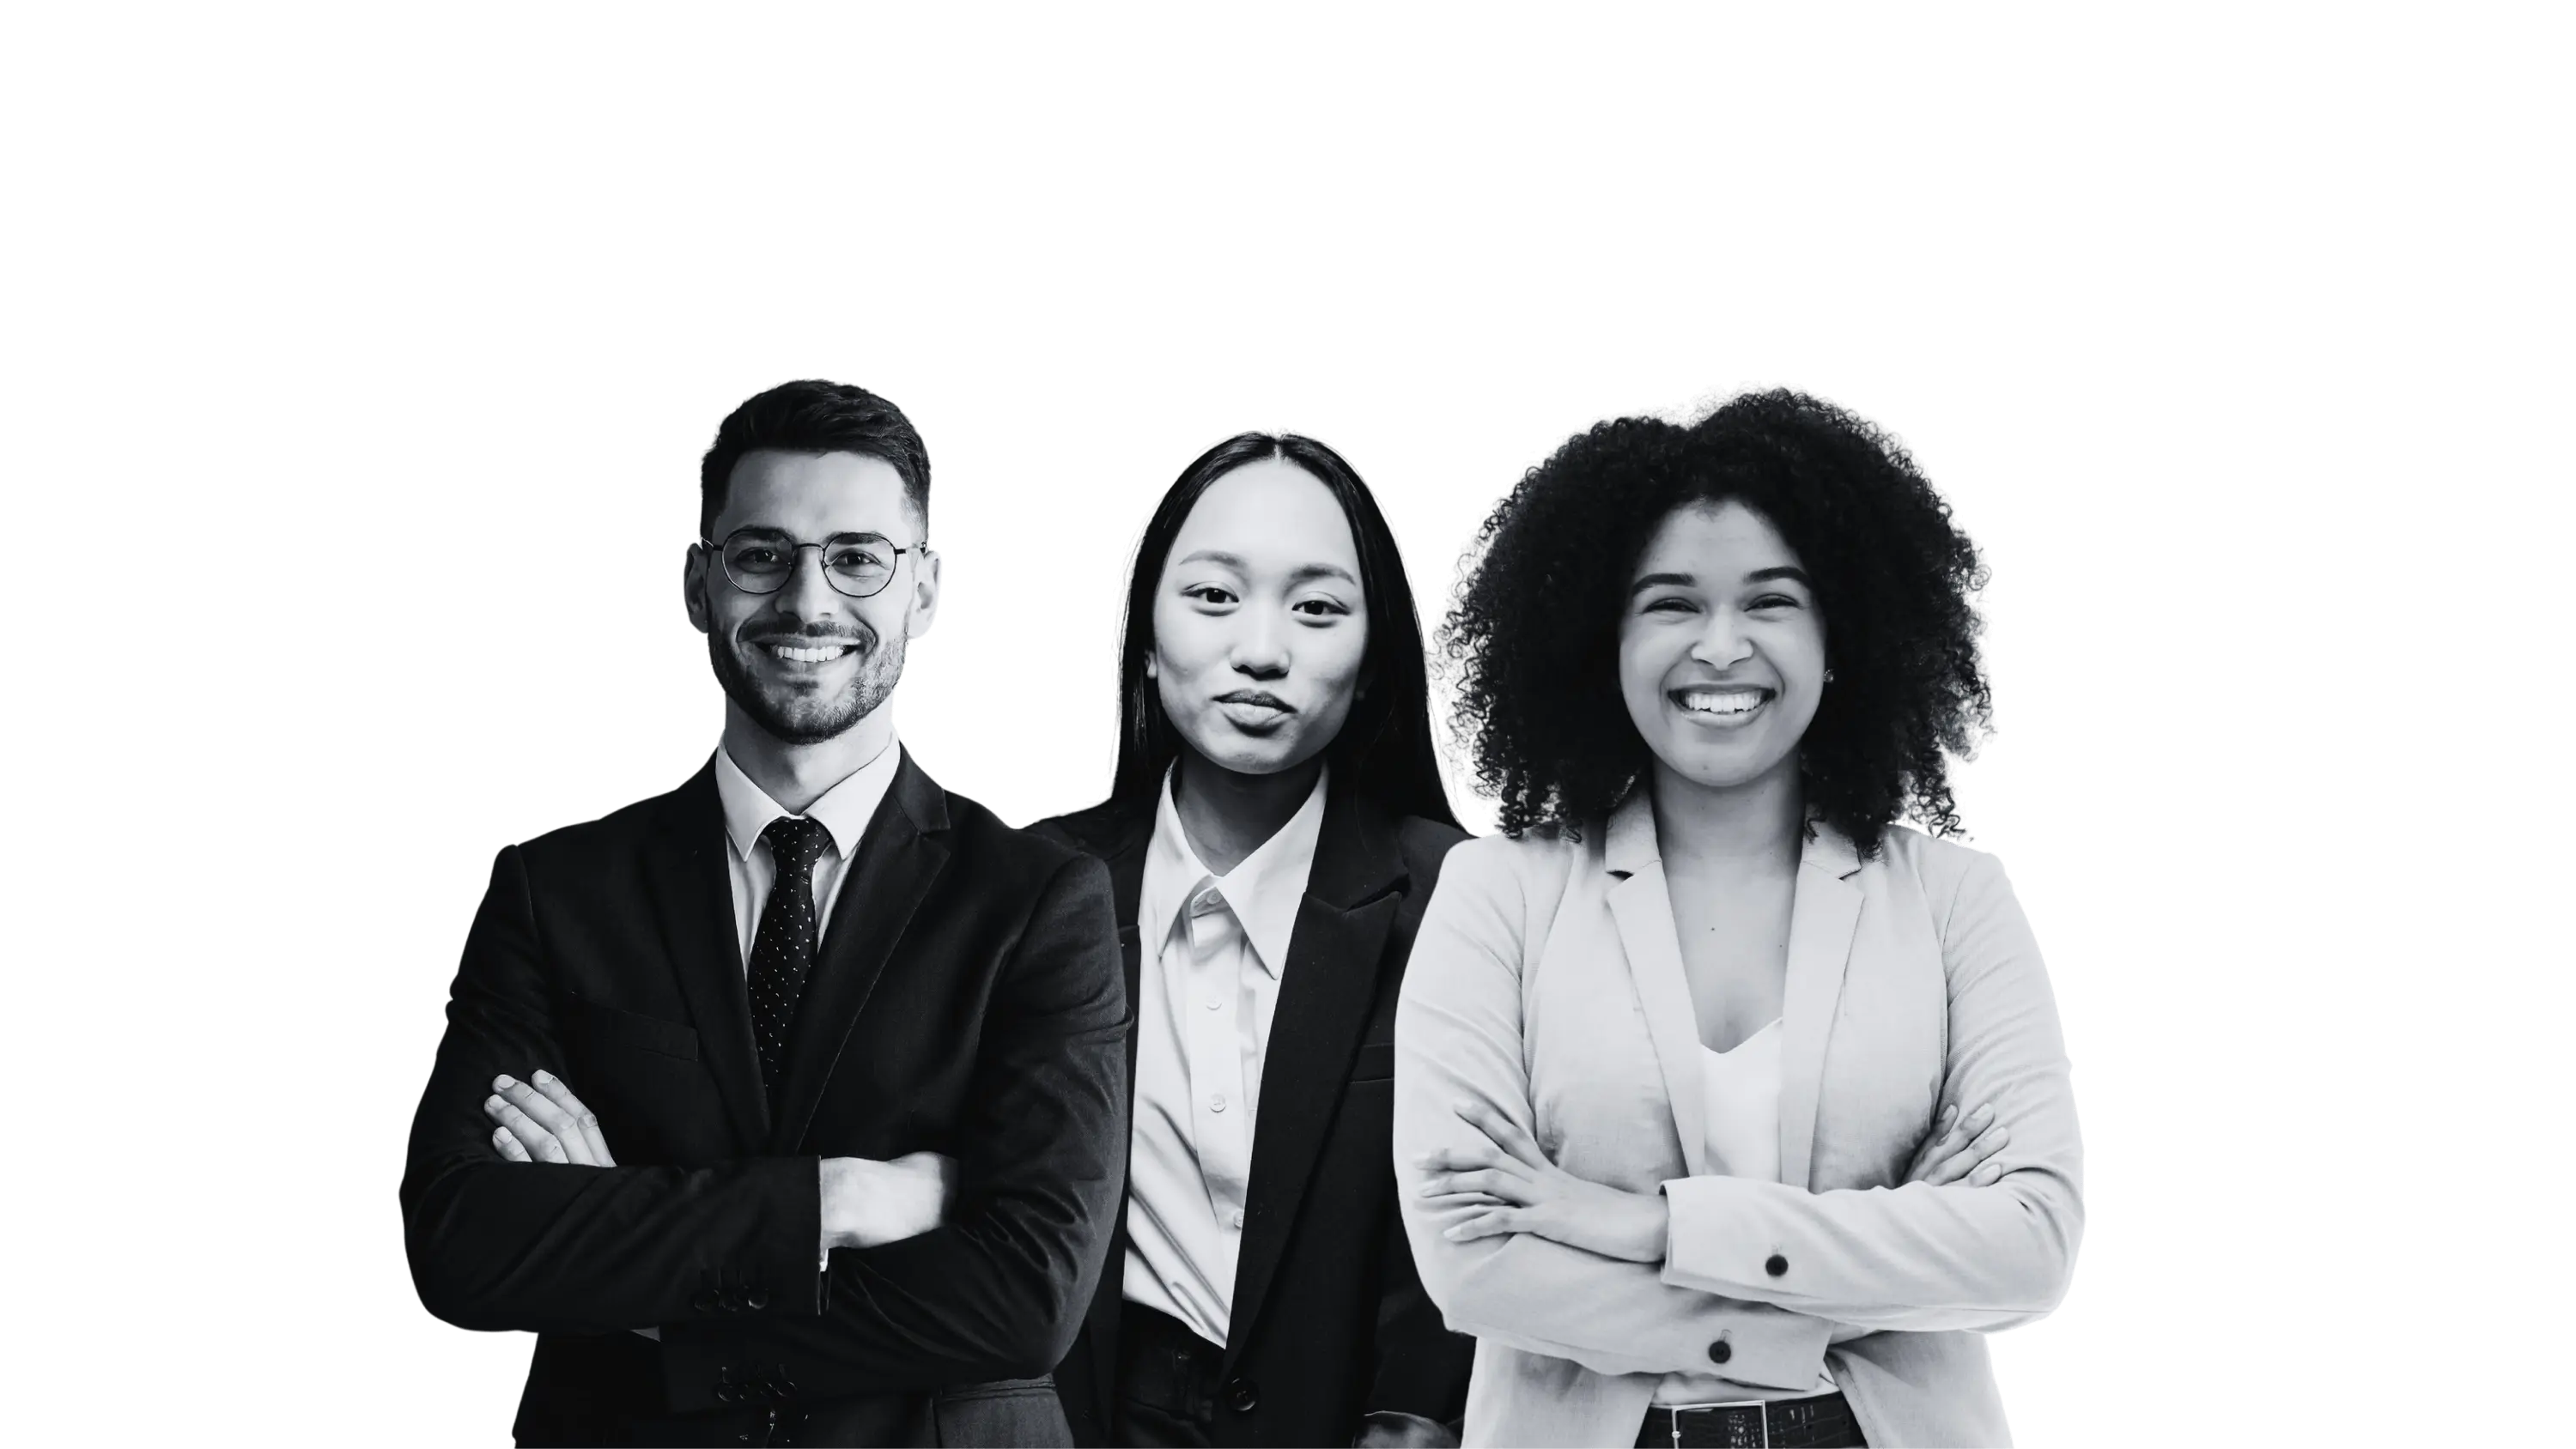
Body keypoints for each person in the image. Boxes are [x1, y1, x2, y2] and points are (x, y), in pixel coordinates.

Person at [398, 379, 1131, 1448]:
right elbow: (462, 1240)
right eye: (762, 554)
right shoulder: (554, 889)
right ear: (698, 585)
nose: (809, 600)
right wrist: (830, 1201)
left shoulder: (1041, 900)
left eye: (857, 558)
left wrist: (646, 1283)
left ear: (926, 593)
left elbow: (1028, 1294)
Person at [1394, 390, 2080, 1449]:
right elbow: (1475, 1266)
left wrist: (1649, 1224)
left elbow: (2030, 1244)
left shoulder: (1961, 901)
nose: (1721, 646)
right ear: (1602, 639)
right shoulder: (1497, 894)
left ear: (1840, 634)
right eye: (1671, 603)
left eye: (1770, 601)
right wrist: (1867, 1274)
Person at [1037, 430, 1479, 1449]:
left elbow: (1479, 1208)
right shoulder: (1032, 892)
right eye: (1214, 596)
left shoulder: (1460, 894)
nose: (1263, 649)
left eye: (1318, 607)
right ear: (1146, 635)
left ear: (1373, 660)